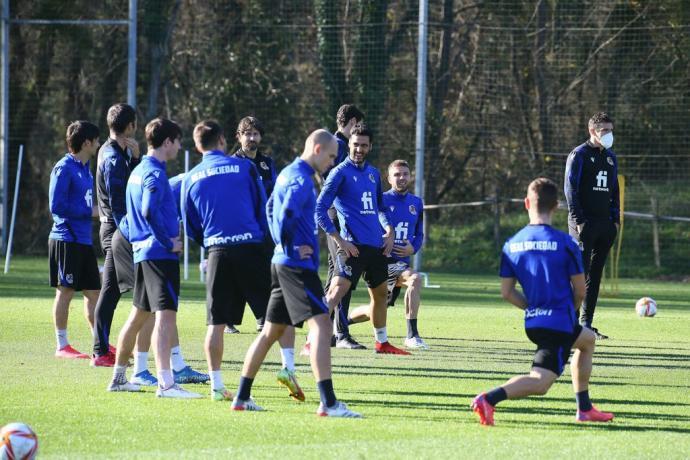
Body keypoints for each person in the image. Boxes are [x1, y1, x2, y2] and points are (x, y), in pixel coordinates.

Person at [231, 129, 361, 417]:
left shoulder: (286, 173)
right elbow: (287, 212)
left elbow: (268, 208)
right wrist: (289, 244)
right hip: (295, 266)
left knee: (270, 332)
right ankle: (328, 403)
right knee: (323, 327)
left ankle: (241, 397)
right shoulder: (301, 178)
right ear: (316, 149)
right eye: (330, 156)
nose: (331, 162)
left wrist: (279, 243)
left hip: (281, 262)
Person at [471, 178, 614, 426]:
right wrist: (564, 312)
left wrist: (534, 308)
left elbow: (507, 292)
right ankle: (488, 399)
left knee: (587, 340)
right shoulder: (566, 243)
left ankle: (584, 408)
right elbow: (581, 291)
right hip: (558, 322)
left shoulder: (511, 244)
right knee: (540, 382)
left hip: (534, 322)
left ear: (526, 203)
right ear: (557, 206)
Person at [183, 120, 301, 401]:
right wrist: (265, 240)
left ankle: (216, 385)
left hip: (217, 252)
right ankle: (289, 369)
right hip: (251, 247)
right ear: (224, 140)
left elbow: (190, 225)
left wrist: (211, 245)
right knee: (280, 313)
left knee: (216, 324)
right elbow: (262, 207)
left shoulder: (191, 176)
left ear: (198, 146)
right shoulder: (245, 167)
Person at [107, 118, 201, 399]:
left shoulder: (138, 170)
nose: (179, 147)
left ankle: (119, 378)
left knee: (138, 317)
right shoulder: (154, 174)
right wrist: (167, 241)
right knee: (165, 318)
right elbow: (148, 211)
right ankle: (167, 384)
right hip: (159, 256)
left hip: (143, 254)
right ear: (168, 142)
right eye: (177, 141)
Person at [314, 123, 408, 355]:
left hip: (375, 247)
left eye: (363, 145)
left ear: (370, 147)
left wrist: (389, 230)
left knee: (380, 295)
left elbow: (380, 208)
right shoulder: (339, 173)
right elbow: (319, 209)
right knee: (336, 292)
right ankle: (312, 340)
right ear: (349, 145)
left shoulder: (374, 174)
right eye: (355, 145)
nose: (359, 149)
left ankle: (382, 342)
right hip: (351, 246)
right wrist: (339, 240)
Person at [564, 112, 620, 340]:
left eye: (610, 129)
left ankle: (586, 325)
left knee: (595, 276)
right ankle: (570, 326)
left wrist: (615, 220)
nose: (608, 134)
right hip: (583, 225)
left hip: (605, 225)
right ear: (592, 131)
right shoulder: (579, 155)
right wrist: (579, 220)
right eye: (604, 130)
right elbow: (571, 189)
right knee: (579, 275)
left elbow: (614, 191)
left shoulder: (611, 157)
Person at [91, 103, 140, 366]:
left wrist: (134, 159)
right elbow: (119, 202)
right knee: (112, 291)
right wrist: (130, 233)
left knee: (111, 291)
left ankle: (101, 349)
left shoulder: (115, 152)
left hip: (115, 229)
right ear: (130, 126)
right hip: (116, 230)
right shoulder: (112, 157)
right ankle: (100, 352)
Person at [48, 120, 101, 359]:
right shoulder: (64, 167)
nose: (99, 144)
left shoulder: (85, 167)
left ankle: (100, 343)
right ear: (87, 142)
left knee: (94, 293)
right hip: (65, 238)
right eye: (97, 140)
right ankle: (62, 345)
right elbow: (56, 206)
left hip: (83, 240)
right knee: (66, 291)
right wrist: (89, 211)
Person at [224, 116, 276, 334]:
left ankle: (263, 317)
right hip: (240, 229)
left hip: (264, 230)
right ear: (239, 136)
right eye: (247, 134)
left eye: (255, 134)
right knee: (237, 274)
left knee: (266, 273)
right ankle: (228, 319)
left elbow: (274, 195)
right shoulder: (231, 163)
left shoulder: (267, 163)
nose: (251, 138)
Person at [327, 104, 366, 349]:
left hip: (333, 214)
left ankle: (321, 331)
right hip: (337, 216)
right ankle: (341, 334)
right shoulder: (340, 146)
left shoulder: (331, 143)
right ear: (352, 122)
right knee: (345, 274)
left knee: (335, 275)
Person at [379, 159, 427, 349]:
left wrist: (412, 249)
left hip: (401, 263)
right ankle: (412, 335)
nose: (401, 178)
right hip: (382, 262)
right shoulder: (381, 200)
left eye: (405, 174)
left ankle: (346, 323)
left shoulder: (416, 203)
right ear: (389, 178)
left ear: (410, 176)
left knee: (376, 308)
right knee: (415, 278)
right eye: (397, 175)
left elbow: (420, 233)